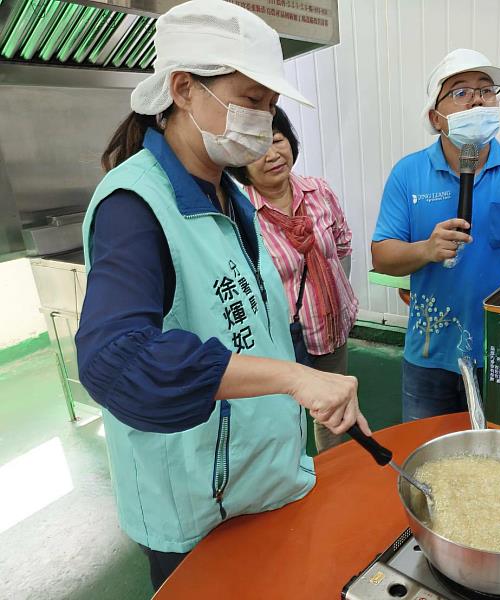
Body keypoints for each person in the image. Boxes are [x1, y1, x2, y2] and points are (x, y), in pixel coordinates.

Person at [74, 0, 370, 590]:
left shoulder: (231, 197)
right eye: (251, 101)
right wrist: (293, 379)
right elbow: (114, 362)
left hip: (264, 479)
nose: (264, 121)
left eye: (272, 106)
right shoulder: (134, 206)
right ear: (183, 89)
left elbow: (259, 321)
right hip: (199, 504)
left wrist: (302, 379)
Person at [371, 49, 500, 422]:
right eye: (461, 91)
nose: (478, 98)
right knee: (429, 461)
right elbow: (382, 256)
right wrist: (426, 249)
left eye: (487, 89)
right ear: (436, 116)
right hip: (430, 356)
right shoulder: (408, 173)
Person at [228, 107, 358, 452]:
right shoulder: (238, 213)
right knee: (282, 421)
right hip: (280, 343)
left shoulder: (319, 192)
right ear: (239, 159)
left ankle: (333, 481)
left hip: (330, 328)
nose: (271, 155)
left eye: (276, 140)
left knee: (333, 418)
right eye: (256, 149)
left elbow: (342, 247)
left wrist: (333, 297)